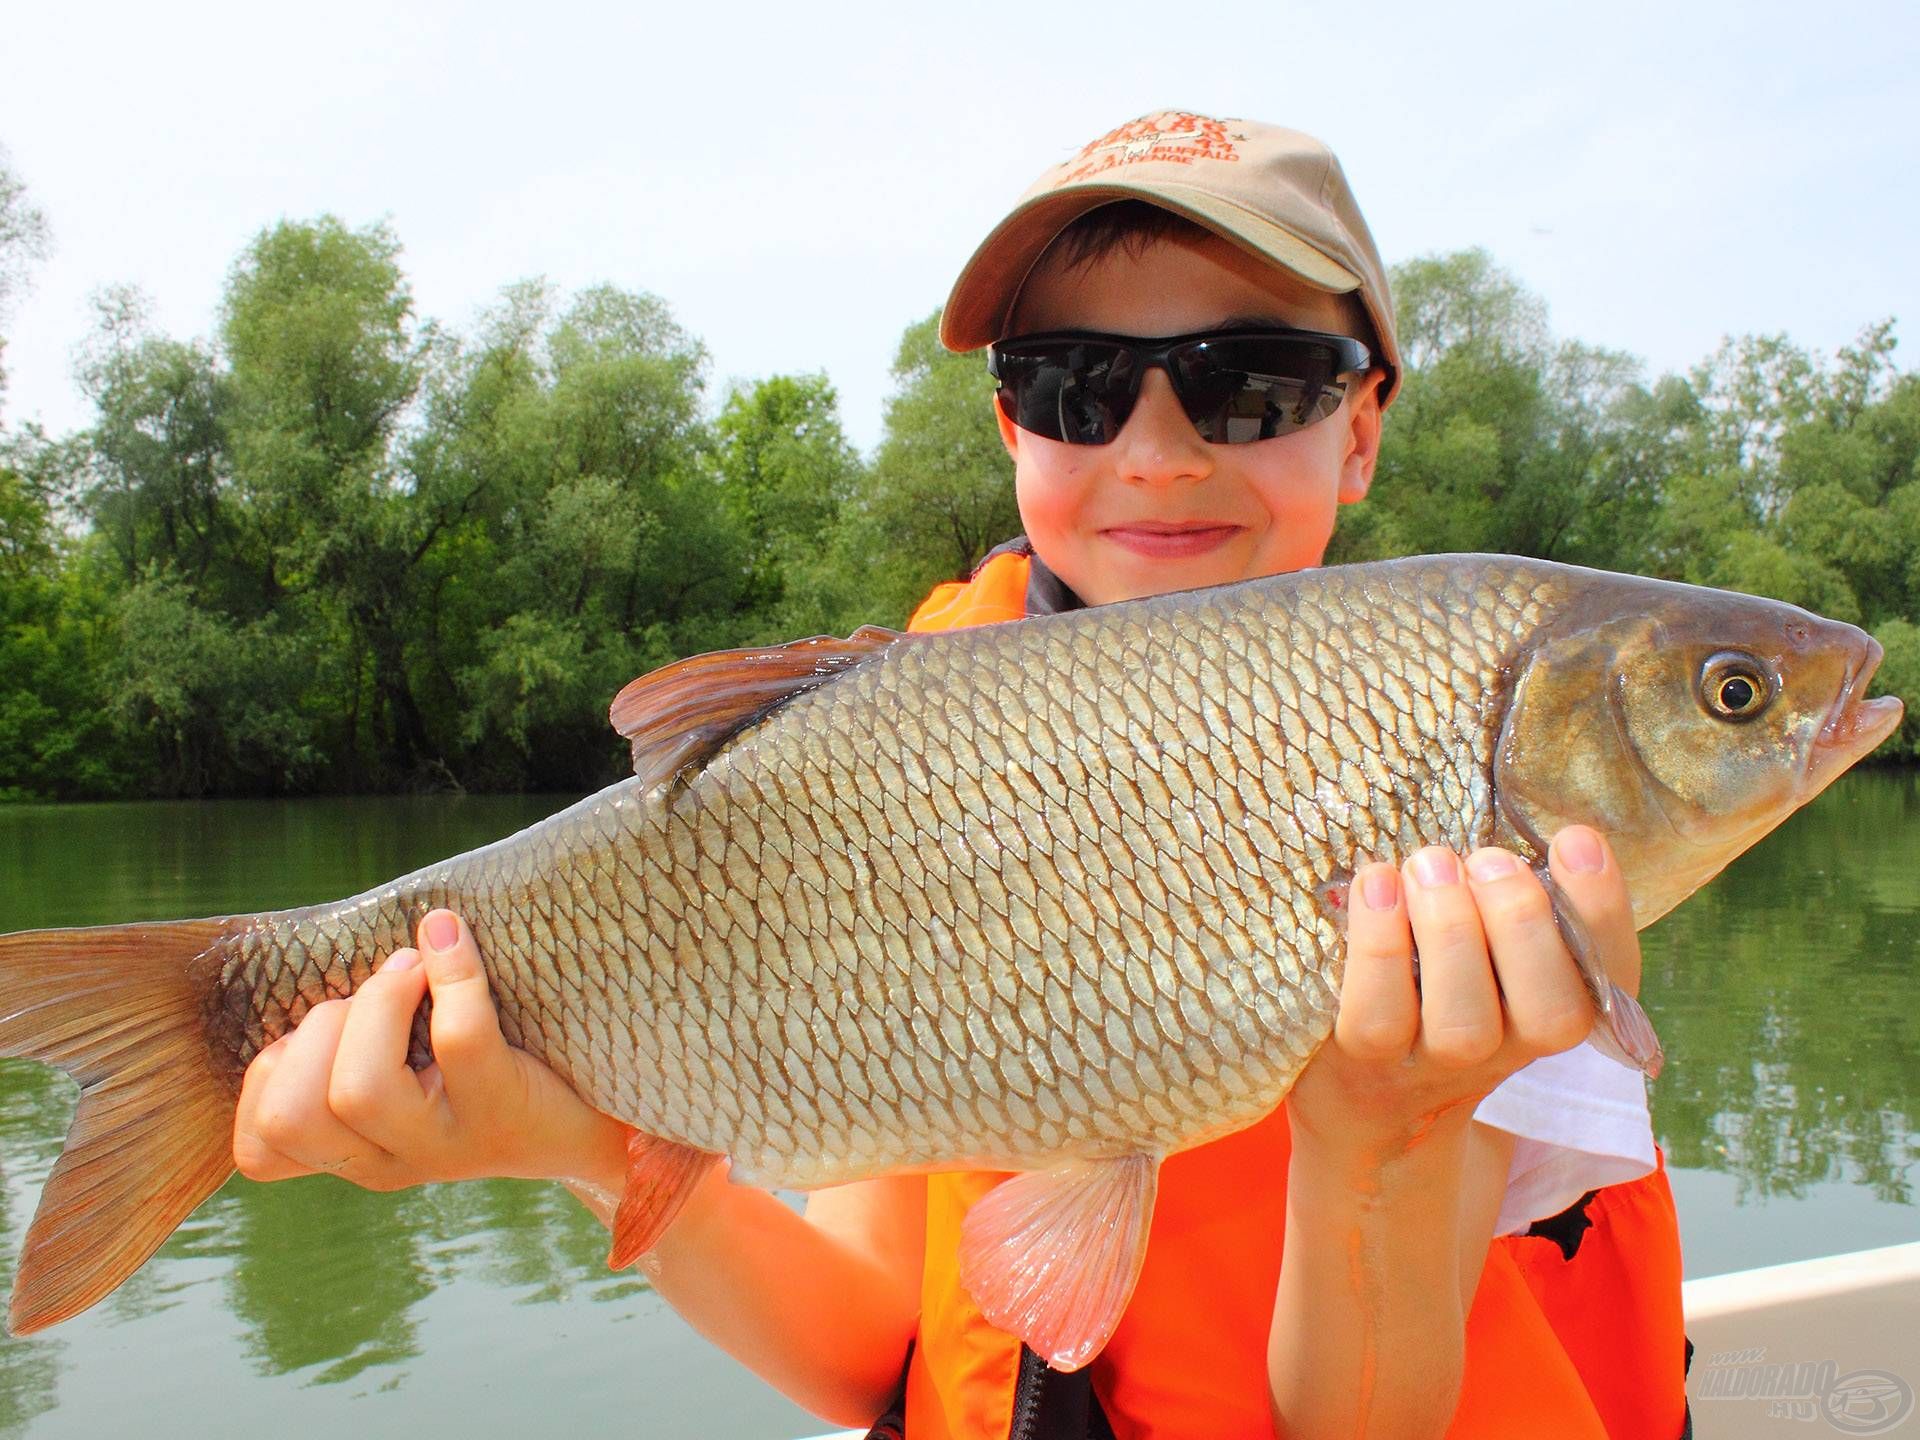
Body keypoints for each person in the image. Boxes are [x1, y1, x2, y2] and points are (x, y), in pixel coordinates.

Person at [232, 112, 1689, 1439]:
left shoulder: (1468, 831)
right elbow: (867, 1348)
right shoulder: (905, 753)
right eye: (1077, 387)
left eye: (1249, 385)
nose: (1159, 452)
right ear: (1009, 427)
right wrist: (582, 1144)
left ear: (1359, 426)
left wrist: (1398, 1131)